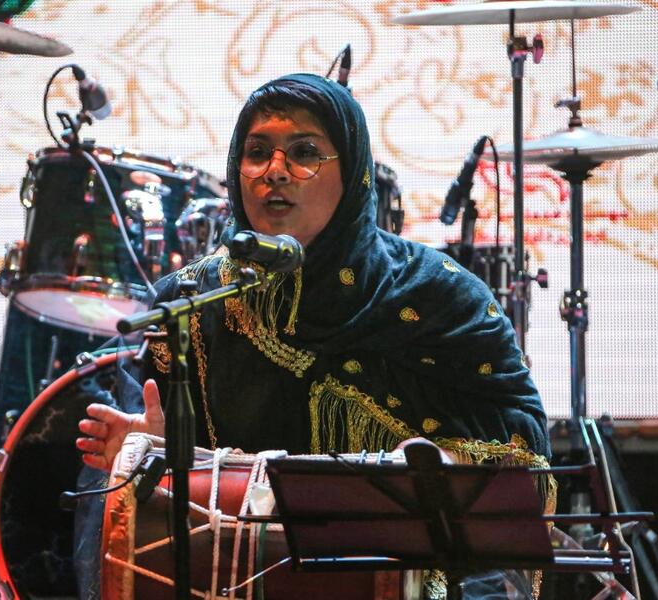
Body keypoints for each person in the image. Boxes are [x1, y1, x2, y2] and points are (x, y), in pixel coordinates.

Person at [76, 73, 554, 599]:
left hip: (425, 579)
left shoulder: (439, 296)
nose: (275, 172)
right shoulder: (191, 300)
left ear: (353, 175)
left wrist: (439, 467)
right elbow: (157, 506)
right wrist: (153, 455)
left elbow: (520, 445)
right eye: (256, 153)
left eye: (304, 152)